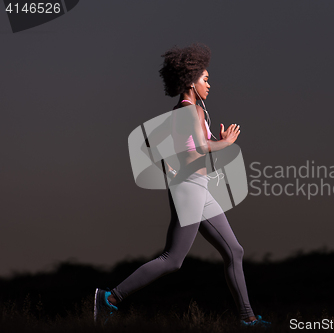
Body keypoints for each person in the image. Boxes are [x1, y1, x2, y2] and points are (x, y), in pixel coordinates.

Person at [94, 43, 270, 328]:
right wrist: (224, 143)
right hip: (190, 187)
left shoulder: (184, 111)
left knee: (234, 251)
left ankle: (247, 317)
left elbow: (152, 144)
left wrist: (171, 166)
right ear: (190, 81)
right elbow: (196, 150)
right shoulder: (189, 112)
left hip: (197, 186)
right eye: (205, 79)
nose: (209, 84)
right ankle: (110, 298)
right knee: (173, 259)